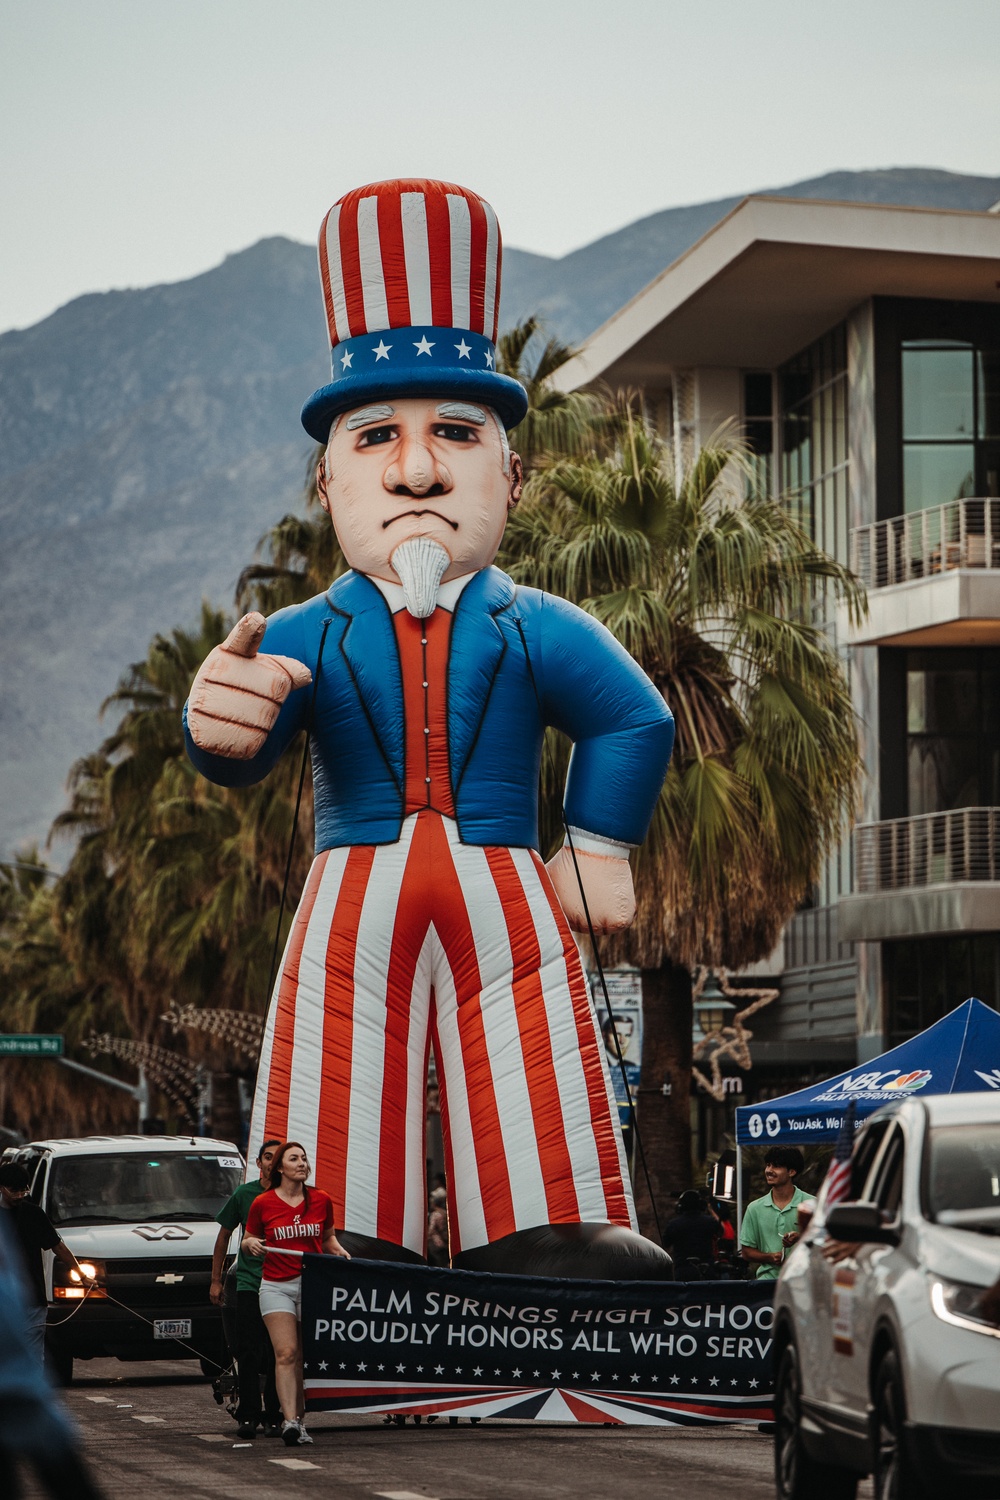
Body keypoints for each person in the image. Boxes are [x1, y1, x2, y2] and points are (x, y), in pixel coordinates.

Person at [184, 177, 675, 1283]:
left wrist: (596, 848)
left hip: (509, 879)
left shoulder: (531, 621)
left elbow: (634, 715)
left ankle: (549, 1224)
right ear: (328, 478)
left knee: (534, 1037)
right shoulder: (305, 632)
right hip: (350, 880)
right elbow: (247, 736)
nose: (415, 468)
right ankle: (341, 1227)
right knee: (332, 1041)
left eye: (454, 431)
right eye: (378, 438)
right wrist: (220, 723)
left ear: (511, 469)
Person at [243, 1141, 349, 1447]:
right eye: (294, 1159)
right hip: (276, 1285)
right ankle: (288, 1420)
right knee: (286, 1353)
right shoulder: (263, 1203)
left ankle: (300, 1421)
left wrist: (341, 1253)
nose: (302, 1163)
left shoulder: (321, 1199)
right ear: (280, 1168)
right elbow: (249, 1239)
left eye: (304, 1158)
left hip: (312, 1285)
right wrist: (250, 1244)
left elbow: (327, 1238)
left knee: (303, 1357)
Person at [209, 1139, 282, 1438]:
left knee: (279, 1353)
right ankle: (249, 1414)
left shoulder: (293, 1196)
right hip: (249, 1284)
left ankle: (276, 1416)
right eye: (268, 1157)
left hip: (283, 1284)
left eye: (278, 1158)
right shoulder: (244, 1193)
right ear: (259, 1162)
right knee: (248, 1352)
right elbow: (224, 1235)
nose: (272, 1163)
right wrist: (216, 1279)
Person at [0, 1163, 97, 1364]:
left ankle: (29, 1393)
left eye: (23, 1190)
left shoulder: (34, 1214)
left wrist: (81, 1275)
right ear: (1, 1188)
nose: (20, 1195)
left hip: (32, 1299)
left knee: (33, 1353)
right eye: (14, 1191)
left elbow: (58, 1247)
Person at [739, 1146, 815, 1280]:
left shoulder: (812, 1204)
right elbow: (746, 1252)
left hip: (804, 1282)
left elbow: (826, 1242)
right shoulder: (754, 1208)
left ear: (791, 1172)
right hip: (765, 1285)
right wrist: (770, 1257)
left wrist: (800, 1237)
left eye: (776, 1166)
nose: (769, 1170)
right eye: (768, 1165)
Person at [661, 1191, 718, 1278]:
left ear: (680, 1207)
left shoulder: (674, 1224)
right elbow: (722, 1232)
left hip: (683, 1271)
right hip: (706, 1271)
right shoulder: (710, 1222)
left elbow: (666, 1243)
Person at [426, 1187, 449, 1267]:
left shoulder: (435, 1214)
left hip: (435, 1246)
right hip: (445, 1245)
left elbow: (431, 1230)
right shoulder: (445, 1213)